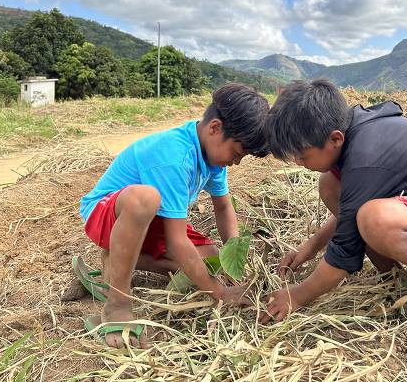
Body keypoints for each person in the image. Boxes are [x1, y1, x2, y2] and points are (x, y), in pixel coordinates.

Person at [261, 79, 407, 338]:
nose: (299, 163)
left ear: (335, 139)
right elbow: (350, 215)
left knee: (375, 219)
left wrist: (297, 296)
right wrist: (309, 248)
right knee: (331, 184)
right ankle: (397, 282)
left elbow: (345, 251)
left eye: (303, 155)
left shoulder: (367, 157)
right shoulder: (356, 135)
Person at [77, 83, 269, 348]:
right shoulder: (174, 156)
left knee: (211, 262)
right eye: (237, 154)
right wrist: (220, 293)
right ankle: (118, 302)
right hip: (106, 215)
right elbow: (178, 241)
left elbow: (223, 207)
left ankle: (119, 260)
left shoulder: (211, 155)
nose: (236, 162)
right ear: (215, 128)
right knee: (146, 199)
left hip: (149, 223)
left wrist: (233, 259)